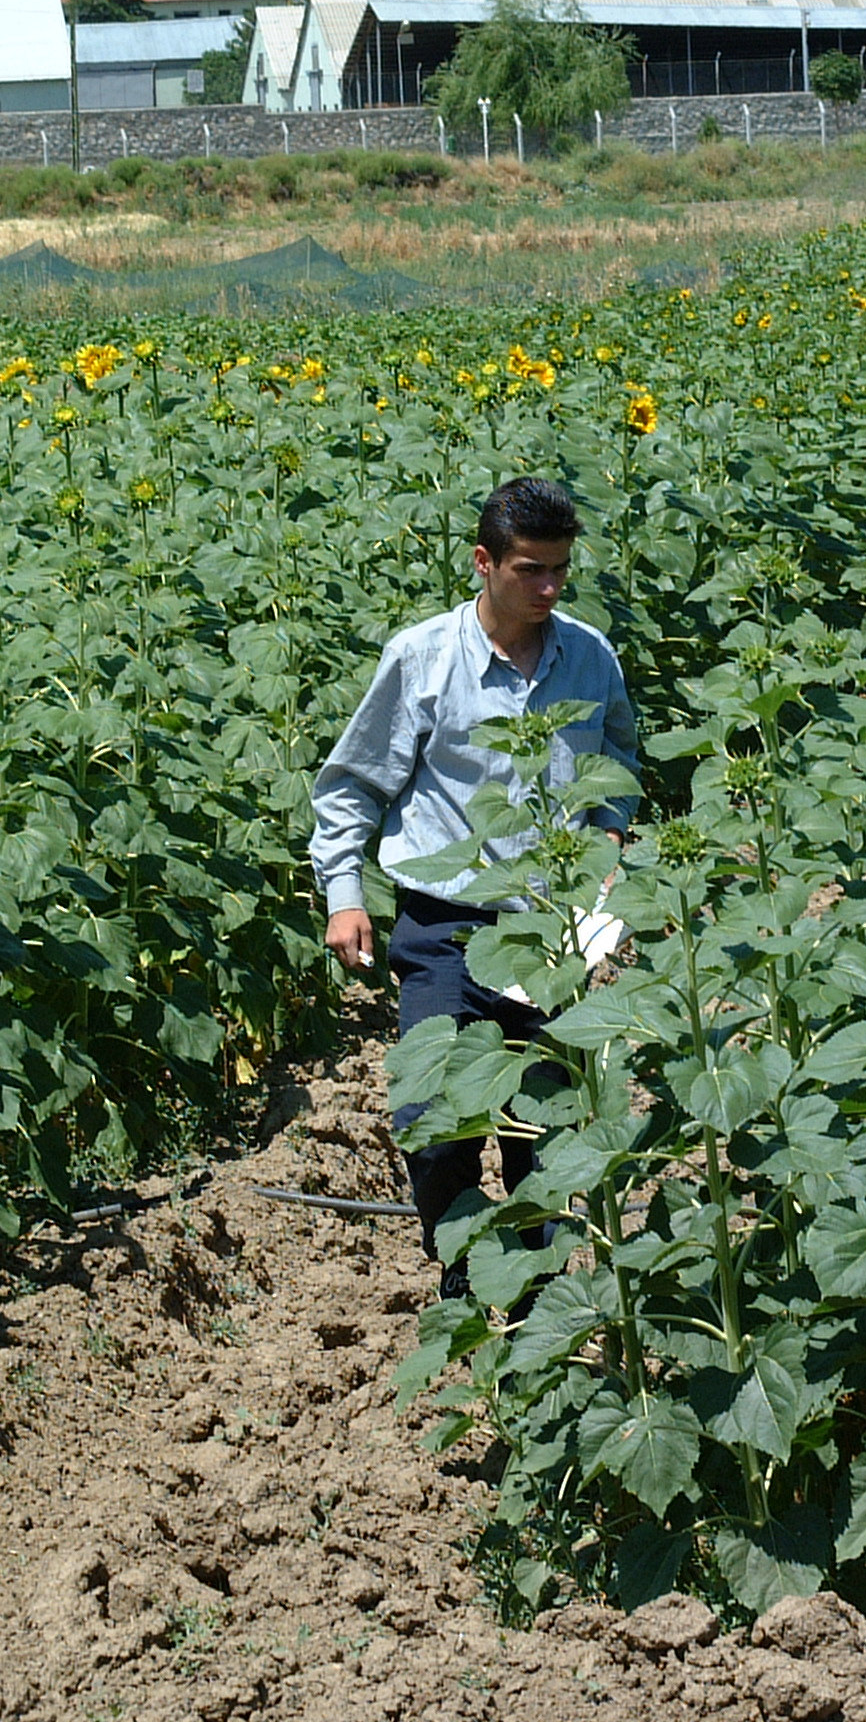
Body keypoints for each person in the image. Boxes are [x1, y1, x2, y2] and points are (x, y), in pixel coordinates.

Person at [308, 477, 638, 1296]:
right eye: (532, 570)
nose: (550, 588)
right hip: (447, 925)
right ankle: (465, 1274)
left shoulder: (590, 657)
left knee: (549, 1127)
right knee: (433, 1117)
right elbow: (353, 784)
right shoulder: (423, 659)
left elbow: (619, 760)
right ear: (483, 563)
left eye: (562, 570)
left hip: (553, 934)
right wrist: (344, 893)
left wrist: (608, 827)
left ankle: (536, 1293)